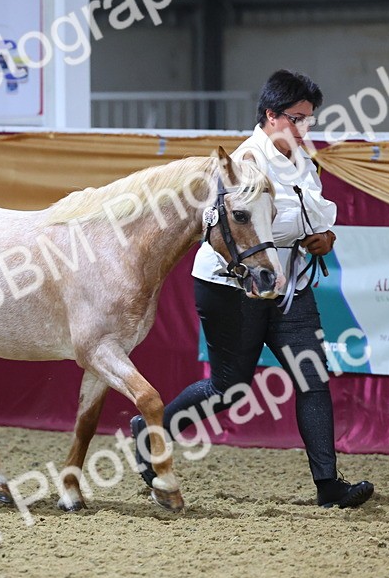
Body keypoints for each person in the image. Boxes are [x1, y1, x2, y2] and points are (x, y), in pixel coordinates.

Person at [131, 69, 375, 509]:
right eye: (297, 118)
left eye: (309, 118)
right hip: (232, 285)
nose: (305, 127)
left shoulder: (305, 161)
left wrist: (325, 238)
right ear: (270, 115)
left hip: (289, 283)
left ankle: (328, 485)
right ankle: (151, 427)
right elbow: (240, 229)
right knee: (231, 388)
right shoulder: (243, 164)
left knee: (312, 378)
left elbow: (314, 220)